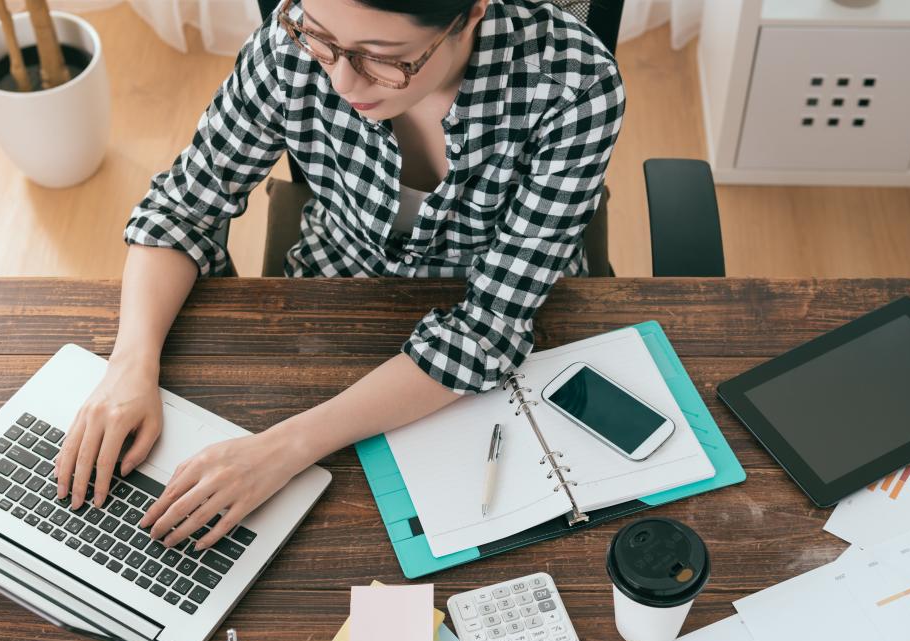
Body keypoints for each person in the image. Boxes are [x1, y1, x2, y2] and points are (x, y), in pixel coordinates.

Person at [52, 0, 625, 552]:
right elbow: (182, 209)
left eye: (382, 57)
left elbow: (488, 328)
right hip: (332, 301)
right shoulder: (290, 45)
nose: (344, 84)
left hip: (493, 354)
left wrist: (282, 449)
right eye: (323, 38)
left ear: (470, 12)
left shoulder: (574, 87)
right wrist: (128, 368)